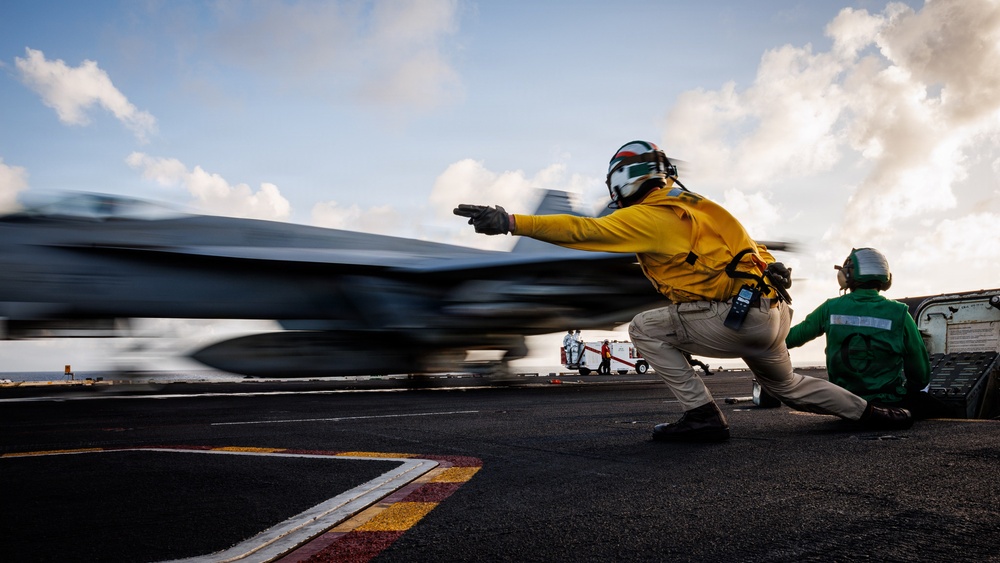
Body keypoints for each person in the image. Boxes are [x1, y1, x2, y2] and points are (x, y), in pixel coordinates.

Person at [455, 140, 912, 442]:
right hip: (772, 314)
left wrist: (511, 221)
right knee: (787, 386)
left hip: (734, 317)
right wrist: (774, 267)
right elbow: (757, 251)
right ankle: (871, 413)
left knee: (644, 328)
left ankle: (702, 415)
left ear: (623, 179)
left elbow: (582, 230)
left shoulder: (650, 216)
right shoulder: (702, 207)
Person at [786, 248, 946, 419]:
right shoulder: (899, 313)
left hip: (843, 403)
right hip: (889, 401)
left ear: (849, 275)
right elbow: (920, 372)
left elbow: (791, 338)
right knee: (943, 410)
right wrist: (913, 389)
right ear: (886, 278)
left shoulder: (830, 308)